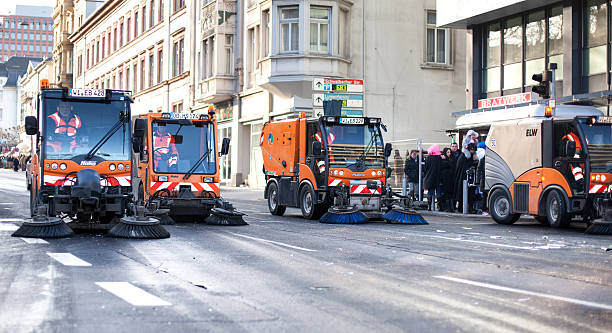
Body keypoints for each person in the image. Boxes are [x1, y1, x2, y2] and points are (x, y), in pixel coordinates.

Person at [455, 143, 478, 213]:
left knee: (471, 194)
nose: (472, 151)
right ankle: (461, 208)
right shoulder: (463, 156)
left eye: (473, 150)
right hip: (463, 178)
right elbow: (461, 168)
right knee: (463, 193)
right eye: (471, 150)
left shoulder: (470, 156)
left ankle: (469, 208)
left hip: (470, 178)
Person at [424, 145, 442, 211]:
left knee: (430, 192)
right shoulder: (439, 158)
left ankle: (429, 206)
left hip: (430, 178)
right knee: (438, 193)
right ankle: (439, 206)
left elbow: (425, 169)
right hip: (438, 177)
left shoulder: (428, 158)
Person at [440, 148, 455, 212]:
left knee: (450, 194)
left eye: (450, 152)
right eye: (448, 152)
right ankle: (446, 207)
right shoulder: (443, 160)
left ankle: (451, 207)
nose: (449, 154)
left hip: (450, 179)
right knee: (445, 194)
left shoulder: (451, 159)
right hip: (444, 179)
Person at [475, 142, 487, 215]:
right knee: (485, 196)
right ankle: (484, 209)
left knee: (485, 195)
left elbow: (479, 170)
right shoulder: (483, 158)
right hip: (485, 180)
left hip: (484, 180)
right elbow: (479, 170)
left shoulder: (482, 158)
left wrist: (477, 181)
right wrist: (478, 181)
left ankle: (485, 209)